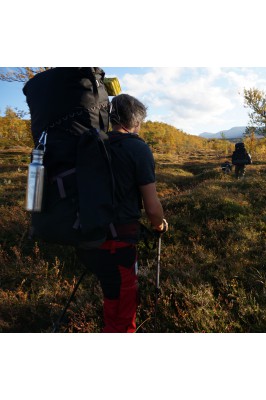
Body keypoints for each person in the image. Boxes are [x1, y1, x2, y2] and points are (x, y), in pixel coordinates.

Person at [77, 93, 168, 333]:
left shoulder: (94, 144)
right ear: (136, 121)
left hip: (88, 237)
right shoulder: (138, 148)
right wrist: (159, 225)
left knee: (111, 292)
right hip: (118, 243)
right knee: (124, 303)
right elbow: (152, 207)